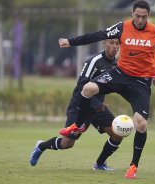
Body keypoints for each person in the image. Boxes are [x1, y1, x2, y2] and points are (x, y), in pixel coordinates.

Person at [58, 0, 155, 179]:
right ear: (132, 14)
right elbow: (97, 35)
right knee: (88, 88)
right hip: (119, 74)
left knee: (141, 124)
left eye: (144, 17)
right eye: (137, 16)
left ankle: (133, 166)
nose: (140, 20)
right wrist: (70, 42)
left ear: (149, 16)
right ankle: (76, 125)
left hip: (140, 82)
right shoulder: (121, 27)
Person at [30, 39, 122, 171]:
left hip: (97, 108)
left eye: (117, 43)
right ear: (104, 43)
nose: (114, 46)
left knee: (117, 134)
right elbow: (81, 86)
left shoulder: (115, 64)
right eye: (111, 43)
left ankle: (100, 164)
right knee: (67, 143)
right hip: (80, 105)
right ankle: (41, 146)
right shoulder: (94, 61)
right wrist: (96, 102)